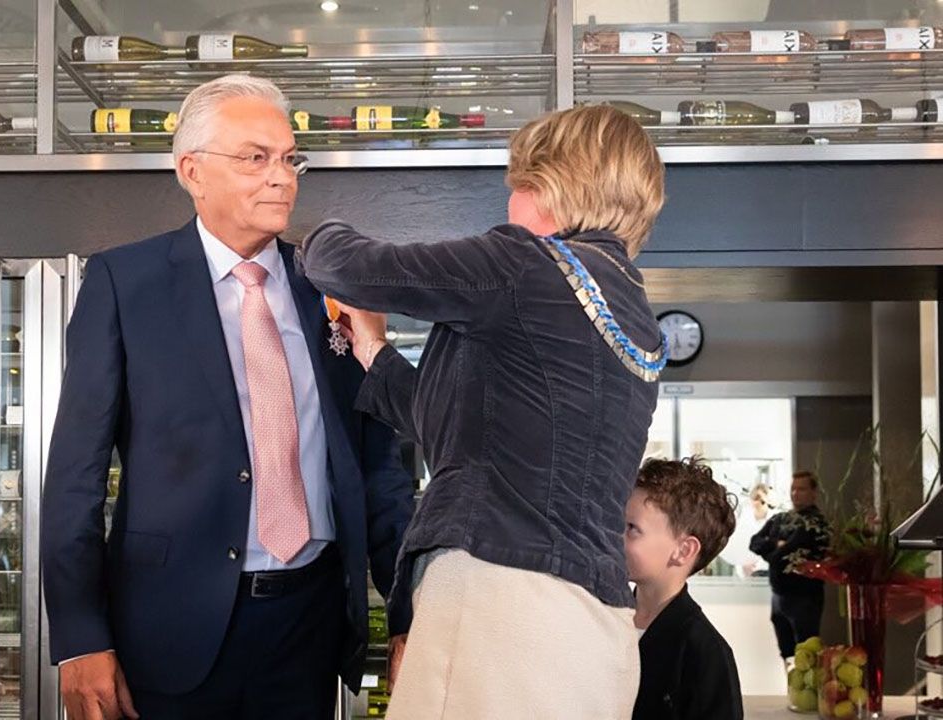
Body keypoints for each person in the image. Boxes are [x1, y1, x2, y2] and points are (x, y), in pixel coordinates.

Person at [40, 75, 415, 720]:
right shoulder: (124, 284)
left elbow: (378, 466)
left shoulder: (330, 287)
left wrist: (409, 613)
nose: (281, 177)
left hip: (310, 626)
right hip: (167, 626)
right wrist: (79, 638)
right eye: (255, 157)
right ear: (193, 171)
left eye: (289, 157)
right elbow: (75, 476)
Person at [300, 104, 667, 719]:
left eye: (516, 186)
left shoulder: (524, 265)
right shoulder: (634, 314)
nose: (509, 206)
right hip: (593, 629)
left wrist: (317, 223)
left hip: (501, 607)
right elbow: (464, 427)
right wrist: (372, 348)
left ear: (549, 183)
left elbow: (343, 264)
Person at [626, 457, 743, 720]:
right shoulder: (606, 617)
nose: (614, 537)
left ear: (683, 550)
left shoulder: (705, 653)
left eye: (632, 529)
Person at [749, 470, 831, 662]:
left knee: (807, 656)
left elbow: (783, 555)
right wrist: (777, 544)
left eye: (801, 489)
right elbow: (754, 542)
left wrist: (775, 548)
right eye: (793, 489)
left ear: (813, 492)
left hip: (805, 598)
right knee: (787, 654)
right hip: (779, 597)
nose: (795, 493)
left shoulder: (816, 523)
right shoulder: (781, 519)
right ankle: (790, 690)